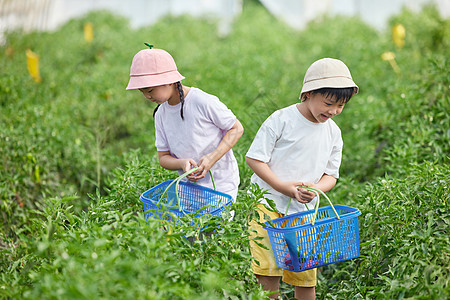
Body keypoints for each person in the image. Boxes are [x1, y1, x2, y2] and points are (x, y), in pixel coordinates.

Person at [246, 58, 358, 299]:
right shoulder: (282, 120)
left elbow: (331, 175)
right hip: (266, 203)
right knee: (267, 271)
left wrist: (317, 189)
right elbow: (255, 159)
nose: (333, 111)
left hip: (303, 212)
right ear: (308, 94)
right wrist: (282, 187)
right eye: (328, 103)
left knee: (305, 276)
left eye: (341, 106)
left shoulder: (333, 132)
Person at [126, 44, 243, 200]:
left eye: (150, 91)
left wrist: (211, 158)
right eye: (143, 92)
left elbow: (236, 129)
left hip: (221, 185)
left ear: (168, 81)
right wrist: (181, 163)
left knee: (218, 224)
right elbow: (163, 157)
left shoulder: (201, 101)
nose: (147, 96)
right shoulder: (161, 114)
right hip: (188, 189)